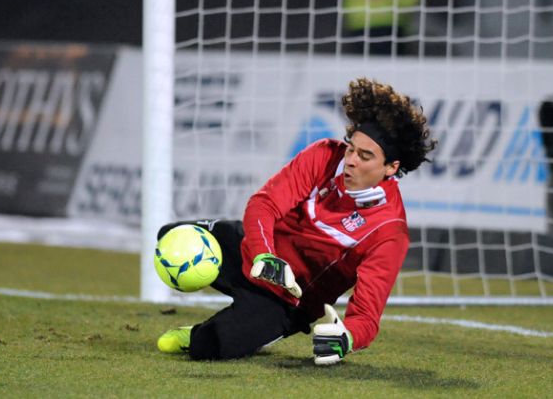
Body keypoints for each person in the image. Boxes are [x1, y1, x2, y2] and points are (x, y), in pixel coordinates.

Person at [156, 77, 437, 365]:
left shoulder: (389, 231)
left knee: (206, 347)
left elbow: (366, 316)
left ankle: (203, 333)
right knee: (171, 239)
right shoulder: (325, 156)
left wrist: (346, 337)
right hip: (255, 250)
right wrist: (264, 254)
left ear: (391, 167)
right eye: (351, 148)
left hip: (287, 301)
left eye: (365, 156)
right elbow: (264, 204)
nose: (351, 160)